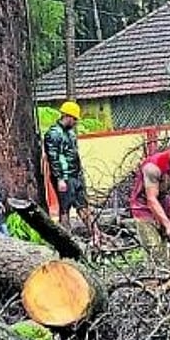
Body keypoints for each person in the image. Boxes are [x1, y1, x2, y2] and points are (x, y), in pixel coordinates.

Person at [43, 101, 103, 245]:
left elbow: (75, 156)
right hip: (64, 177)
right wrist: (60, 179)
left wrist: (80, 175)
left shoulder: (70, 133)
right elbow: (53, 158)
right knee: (65, 209)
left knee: (83, 205)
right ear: (67, 116)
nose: (76, 122)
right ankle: (66, 241)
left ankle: (97, 235)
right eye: (74, 118)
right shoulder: (53, 134)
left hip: (75, 176)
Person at [129, 134, 170, 239]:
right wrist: (167, 225)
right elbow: (151, 199)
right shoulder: (153, 167)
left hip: (163, 200)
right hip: (143, 205)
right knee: (153, 245)